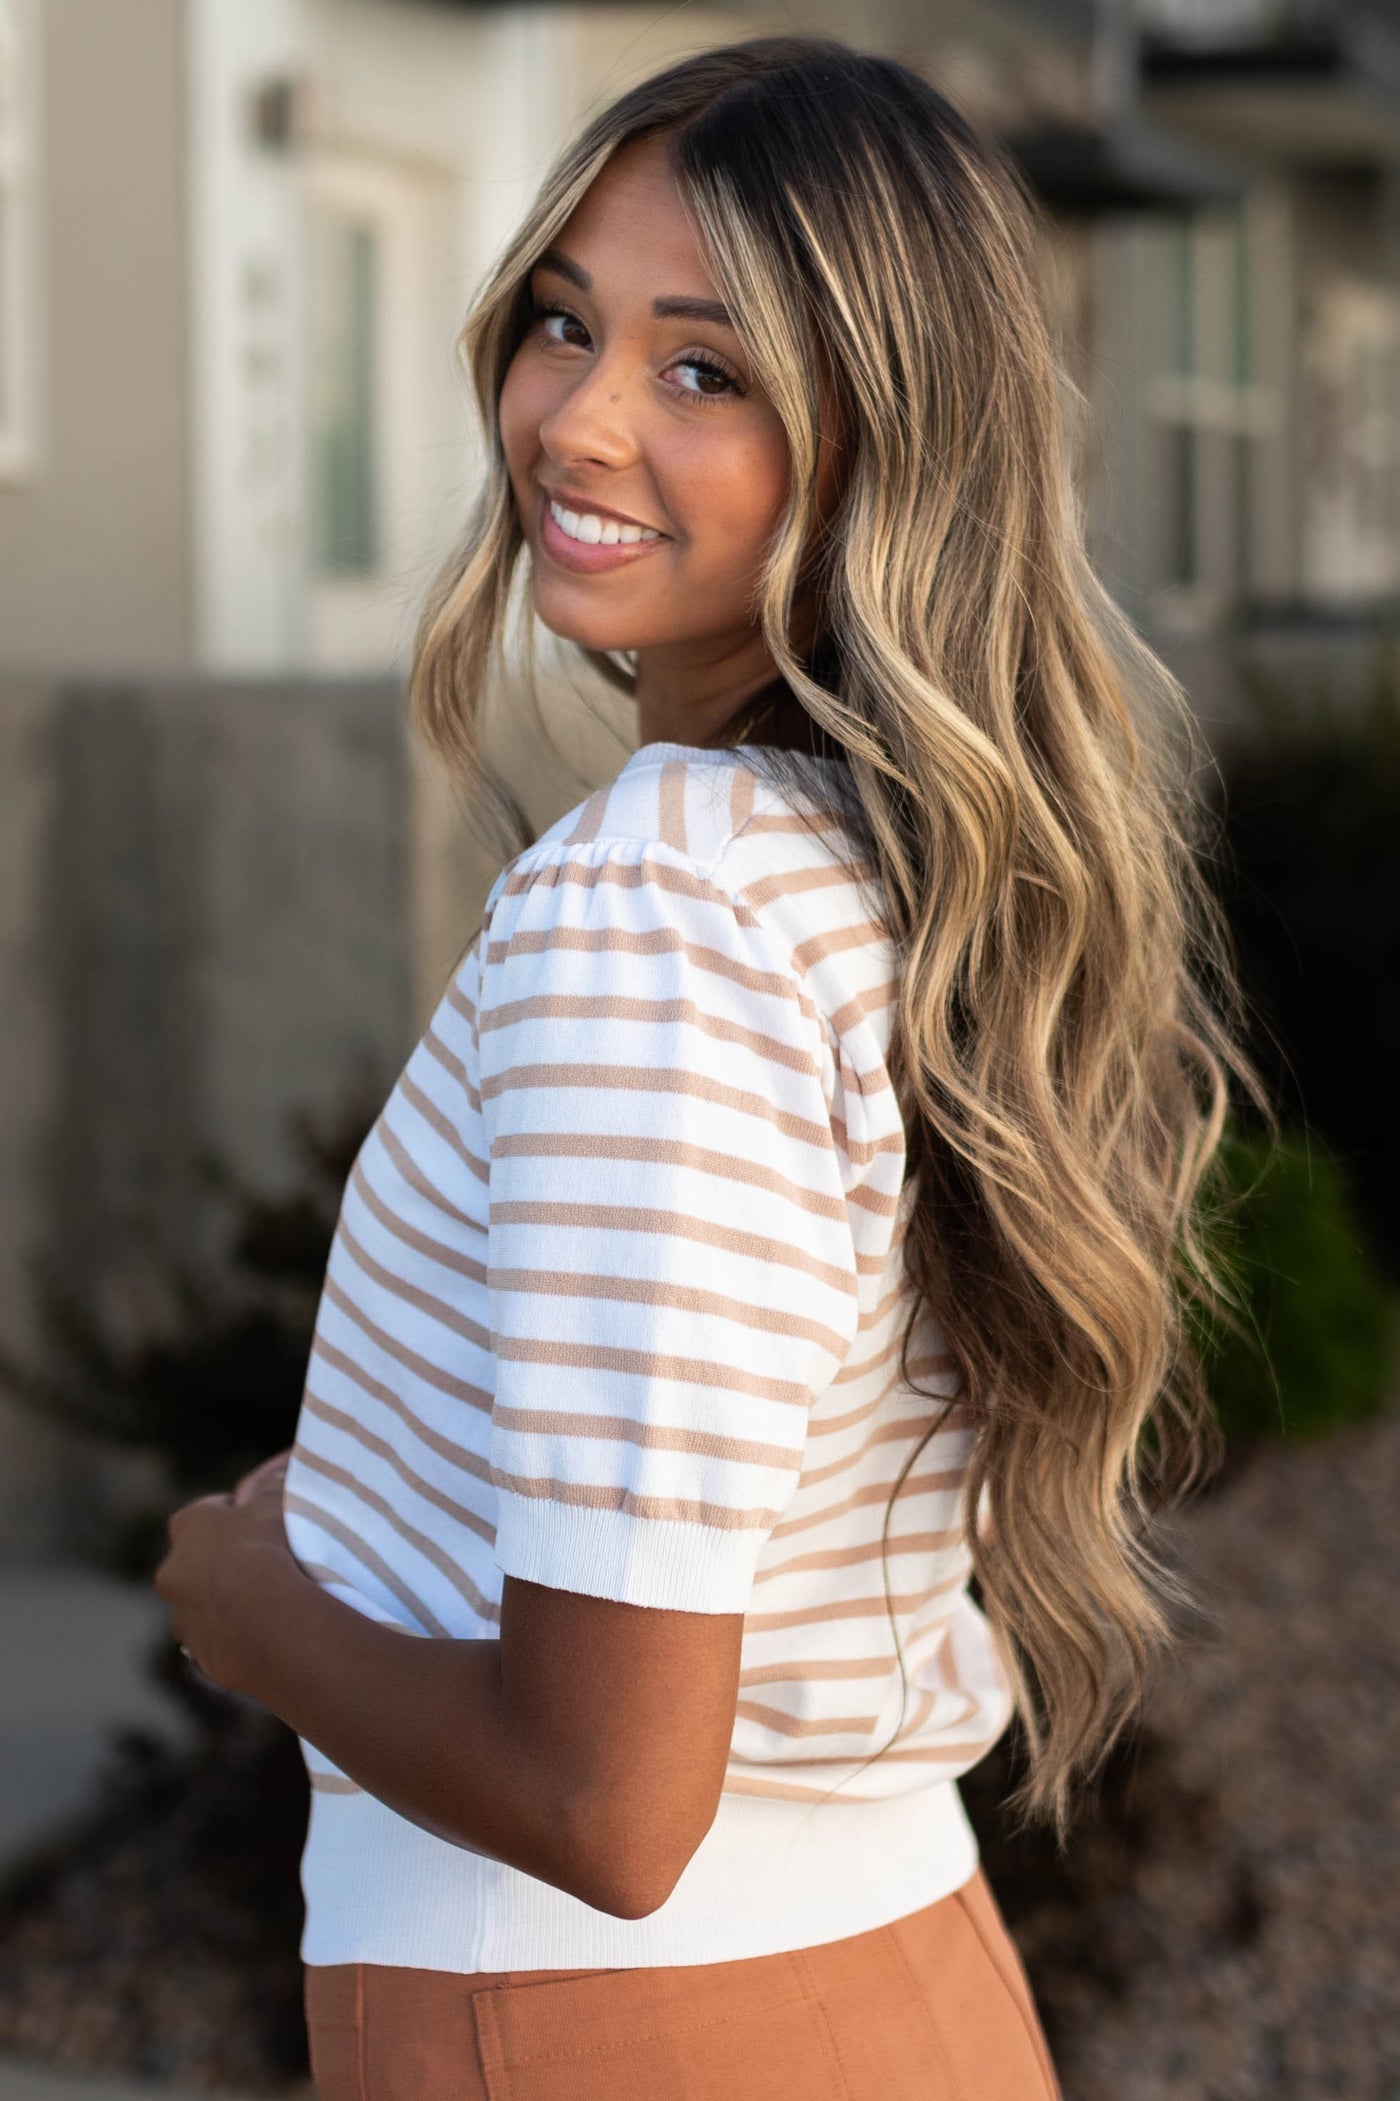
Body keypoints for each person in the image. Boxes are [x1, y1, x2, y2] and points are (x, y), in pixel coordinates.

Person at [153, 38, 1246, 2099]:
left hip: (595, 2019)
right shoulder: (862, 860)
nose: (570, 418)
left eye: (702, 370)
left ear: (885, 441)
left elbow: (605, 1801)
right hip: (880, 1975)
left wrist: (249, 1602)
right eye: (564, 321)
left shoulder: (661, 904)